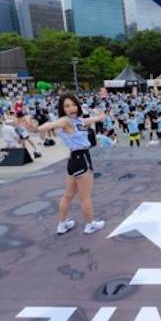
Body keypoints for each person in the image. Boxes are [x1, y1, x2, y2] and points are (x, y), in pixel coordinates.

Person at [30, 94, 106, 235]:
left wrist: (100, 117)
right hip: (81, 158)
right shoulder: (65, 121)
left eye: (74, 105)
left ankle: (62, 224)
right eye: (67, 106)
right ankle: (90, 224)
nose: (72, 108)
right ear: (62, 109)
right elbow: (51, 125)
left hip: (74, 160)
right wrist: (36, 129)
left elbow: (88, 120)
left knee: (68, 195)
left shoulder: (77, 120)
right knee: (85, 197)